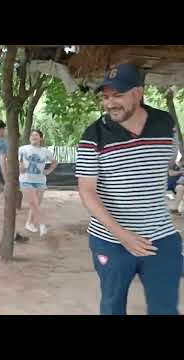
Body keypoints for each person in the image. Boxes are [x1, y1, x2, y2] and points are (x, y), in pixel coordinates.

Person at [76, 63, 182, 315]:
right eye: (106, 96)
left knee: (165, 308)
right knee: (113, 305)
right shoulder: (93, 135)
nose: (110, 103)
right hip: (110, 240)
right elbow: (87, 191)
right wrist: (122, 234)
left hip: (160, 236)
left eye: (118, 95)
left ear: (138, 93)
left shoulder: (166, 124)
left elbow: (167, 164)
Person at [19, 129, 58, 236]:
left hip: (40, 181)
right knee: (33, 203)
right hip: (26, 179)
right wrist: (19, 166)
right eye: (32, 135)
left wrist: (48, 171)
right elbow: (12, 160)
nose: (33, 137)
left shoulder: (45, 151)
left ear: (41, 138)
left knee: (36, 204)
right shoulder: (23, 149)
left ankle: (29, 223)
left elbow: (54, 162)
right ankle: (41, 224)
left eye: (36, 135)